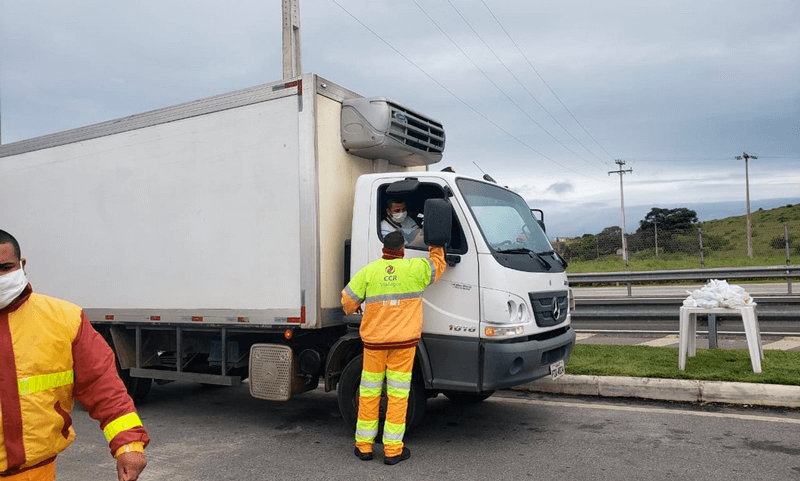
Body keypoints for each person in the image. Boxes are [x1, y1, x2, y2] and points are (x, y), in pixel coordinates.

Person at [0, 230, 149, 481]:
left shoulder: (64, 319)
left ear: (21, 265)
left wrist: (129, 444)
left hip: (34, 473)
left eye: (4, 267)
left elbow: (103, 385)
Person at [341, 230, 446, 465]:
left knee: (369, 393)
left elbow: (346, 302)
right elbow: (438, 264)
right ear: (402, 251)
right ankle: (392, 451)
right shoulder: (415, 269)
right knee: (398, 396)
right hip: (403, 345)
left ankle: (364, 447)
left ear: (383, 250)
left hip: (374, 345)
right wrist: (436, 245)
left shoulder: (370, 271)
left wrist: (358, 306)